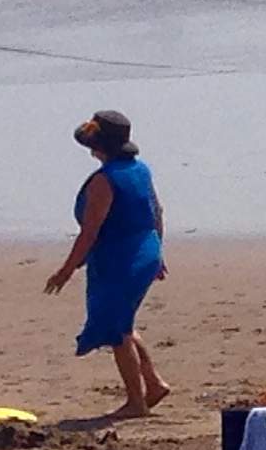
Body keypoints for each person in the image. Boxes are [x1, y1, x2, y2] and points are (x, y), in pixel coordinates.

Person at [44, 111, 171, 421]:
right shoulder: (140, 170)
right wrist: (159, 253)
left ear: (97, 146)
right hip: (146, 250)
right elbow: (157, 212)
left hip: (122, 260)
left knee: (117, 333)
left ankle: (136, 402)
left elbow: (90, 233)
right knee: (123, 323)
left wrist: (66, 270)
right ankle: (153, 385)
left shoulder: (104, 181)